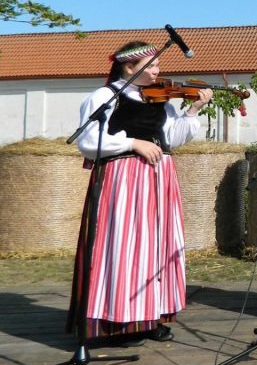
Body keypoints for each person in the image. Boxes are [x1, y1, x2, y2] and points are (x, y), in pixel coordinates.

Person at [68, 41, 212, 345]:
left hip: (160, 180)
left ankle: (151, 318)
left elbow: (171, 137)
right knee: (124, 246)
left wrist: (194, 110)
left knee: (156, 248)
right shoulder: (105, 97)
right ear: (128, 67)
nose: (158, 71)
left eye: (158, 65)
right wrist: (133, 143)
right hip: (124, 180)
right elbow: (89, 140)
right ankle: (117, 321)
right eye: (152, 65)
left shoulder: (161, 100)